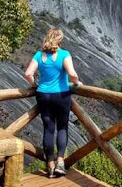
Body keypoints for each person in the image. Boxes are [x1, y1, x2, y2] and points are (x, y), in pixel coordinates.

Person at [24, 28, 82, 178]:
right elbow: (72, 74)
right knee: (62, 127)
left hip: (43, 95)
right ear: (60, 40)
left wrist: (34, 85)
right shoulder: (64, 54)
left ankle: (50, 164)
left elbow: (28, 74)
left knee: (48, 129)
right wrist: (77, 82)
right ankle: (60, 162)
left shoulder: (38, 55)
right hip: (61, 95)